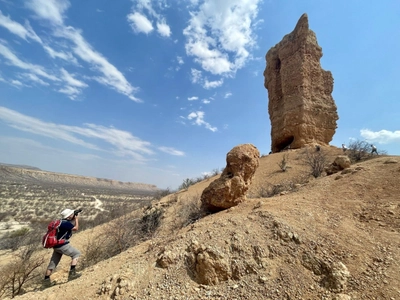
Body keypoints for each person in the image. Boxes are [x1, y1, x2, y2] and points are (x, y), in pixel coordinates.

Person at [43, 208, 81, 288]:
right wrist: (77, 219)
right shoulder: (66, 224)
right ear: (68, 216)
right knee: (76, 254)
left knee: (53, 263)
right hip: (62, 245)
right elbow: (76, 228)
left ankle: (46, 282)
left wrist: (74, 217)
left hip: (56, 246)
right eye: (71, 214)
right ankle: (72, 274)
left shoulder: (61, 223)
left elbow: (70, 224)